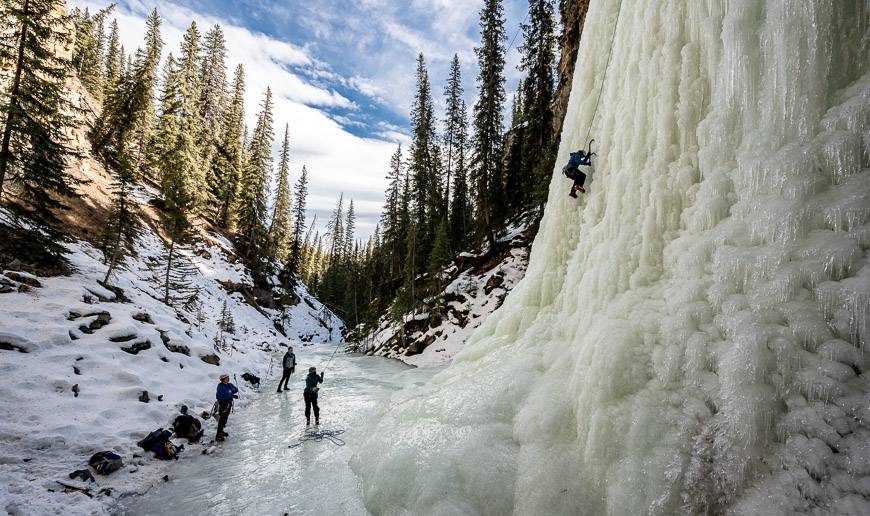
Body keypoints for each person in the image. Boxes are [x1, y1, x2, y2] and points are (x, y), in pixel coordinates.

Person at [215, 374, 238, 441]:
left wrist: (230, 392)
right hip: (223, 404)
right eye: (227, 378)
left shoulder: (228, 385)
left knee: (225, 419)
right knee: (222, 419)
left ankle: (221, 431)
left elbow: (235, 389)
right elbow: (224, 395)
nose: (228, 379)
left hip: (228, 404)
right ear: (223, 379)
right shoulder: (220, 387)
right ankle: (218, 435)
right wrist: (231, 393)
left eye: (228, 378)